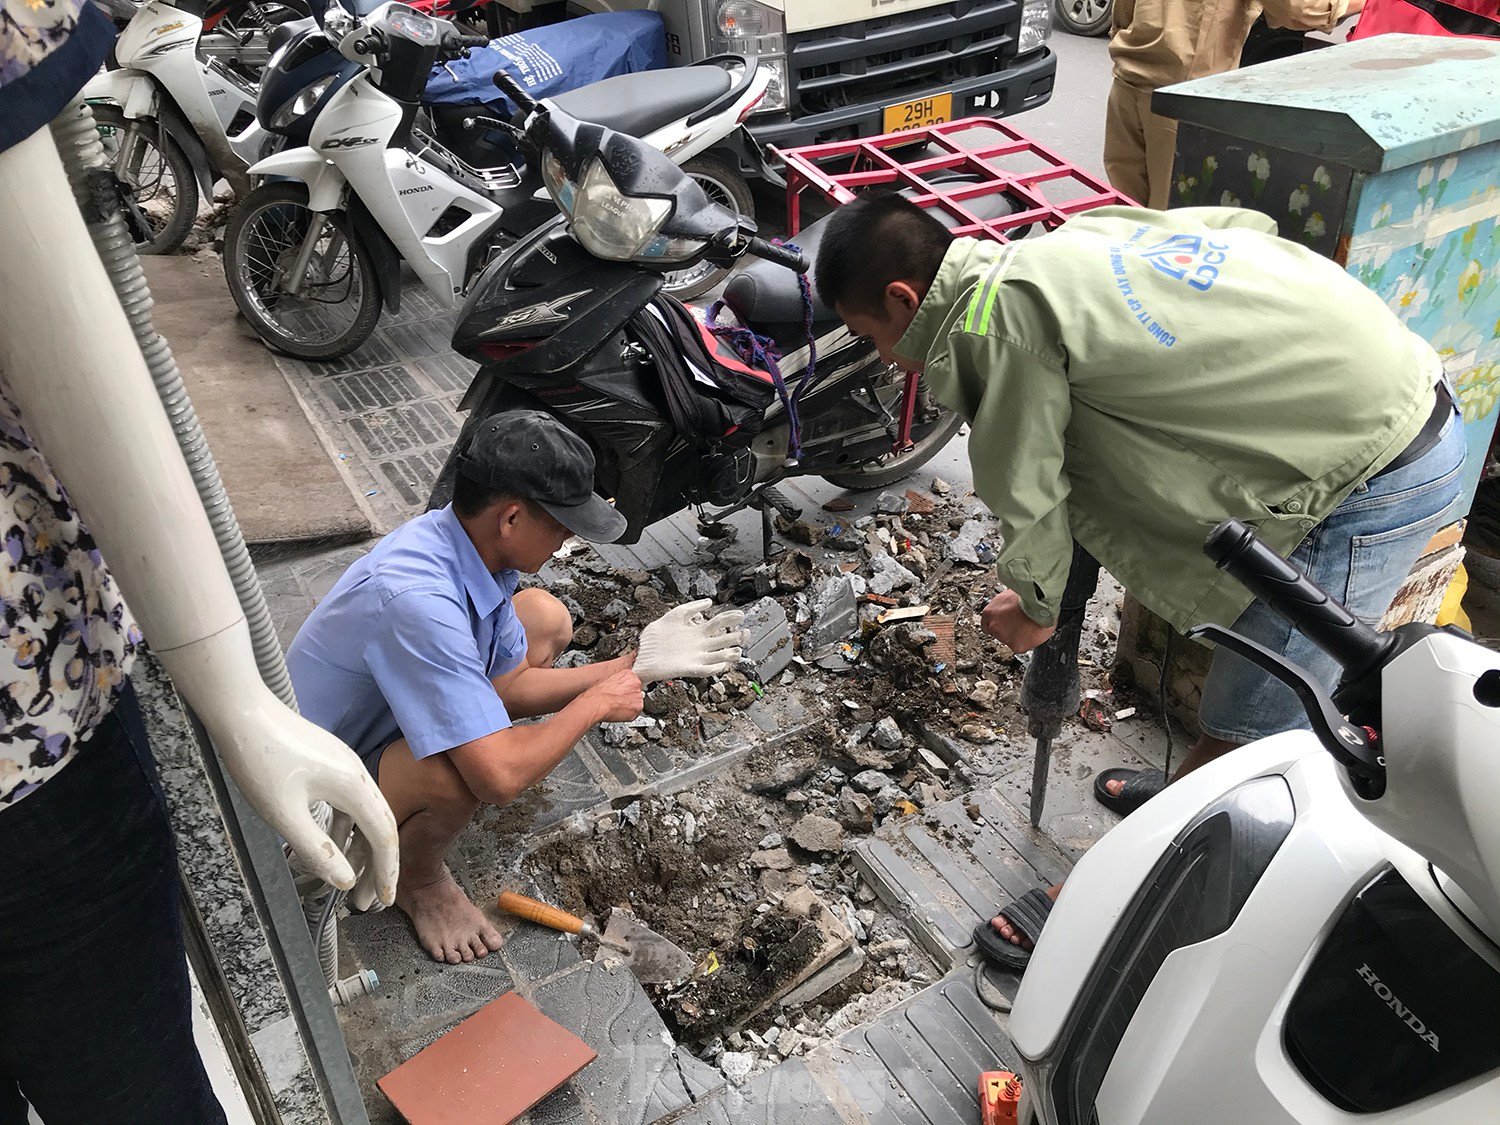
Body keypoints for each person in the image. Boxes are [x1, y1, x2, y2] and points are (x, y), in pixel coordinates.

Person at [814, 193, 1464, 968]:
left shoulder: (993, 327)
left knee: (1255, 723)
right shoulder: (1060, 247)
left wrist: (1038, 605)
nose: (887, 358)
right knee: (1246, 686)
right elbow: (1241, 228)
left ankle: (1118, 890)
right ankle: (1184, 808)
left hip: (1371, 467)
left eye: (873, 337)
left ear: (903, 299)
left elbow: (1027, 487)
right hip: (1389, 394)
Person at [0, 0, 398, 1116]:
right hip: (31, 772)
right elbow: (57, 308)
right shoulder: (416, 595)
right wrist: (233, 695)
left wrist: (235, 695)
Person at [288, 411, 745, 964]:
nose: (569, 538)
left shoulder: (467, 547)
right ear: (511, 517)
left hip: (370, 731)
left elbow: (510, 685)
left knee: (545, 618)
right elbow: (500, 778)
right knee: (459, 777)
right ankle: (420, 880)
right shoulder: (418, 601)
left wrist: (635, 664)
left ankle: (421, 822)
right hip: (307, 803)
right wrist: (595, 704)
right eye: (562, 524)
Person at [1104, 0, 1365, 209]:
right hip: (1181, 98)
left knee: (1125, 210)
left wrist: (1124, 42)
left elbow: (1123, 12)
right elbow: (1297, 9)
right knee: (1169, 223)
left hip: (1127, 80)